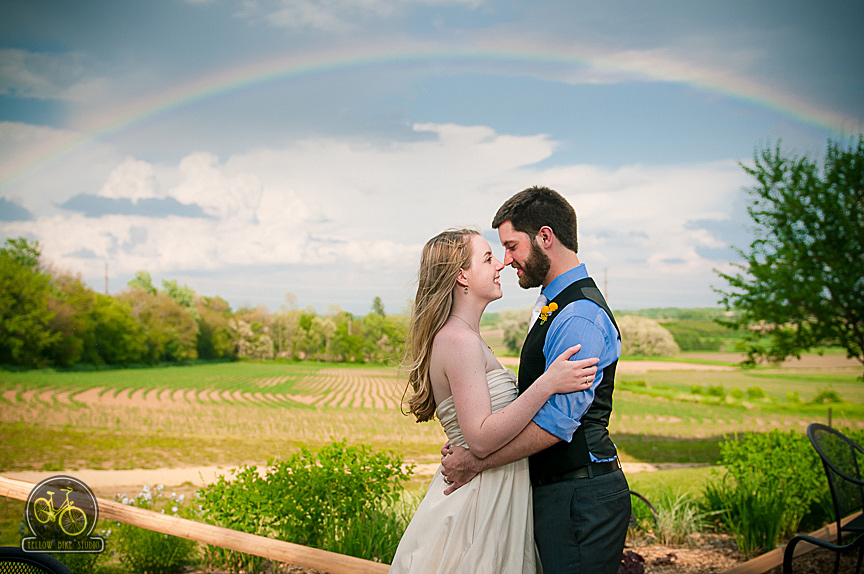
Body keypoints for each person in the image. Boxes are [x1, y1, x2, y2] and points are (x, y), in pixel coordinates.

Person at [441, 187, 631, 574]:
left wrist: (477, 463)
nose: (507, 260)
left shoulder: (578, 317)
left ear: (545, 237)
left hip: (581, 495)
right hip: (562, 493)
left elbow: (554, 428)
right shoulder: (555, 304)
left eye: (511, 246)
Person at [389, 228, 600, 574]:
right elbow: (481, 438)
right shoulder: (459, 341)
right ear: (462, 276)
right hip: (478, 503)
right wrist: (547, 384)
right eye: (487, 259)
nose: (500, 265)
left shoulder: (467, 337)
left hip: (495, 493)